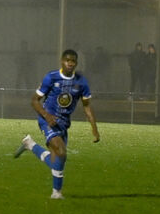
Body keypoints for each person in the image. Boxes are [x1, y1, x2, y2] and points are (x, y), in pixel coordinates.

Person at [13, 49, 100, 199]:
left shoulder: (81, 81)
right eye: (67, 60)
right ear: (62, 61)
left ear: (76, 63)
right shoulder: (51, 77)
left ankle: (30, 145)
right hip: (47, 120)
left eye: (73, 61)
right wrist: (46, 116)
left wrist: (94, 129)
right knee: (61, 151)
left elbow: (86, 106)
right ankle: (56, 194)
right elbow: (34, 100)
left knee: (58, 160)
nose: (70, 63)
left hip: (63, 123)